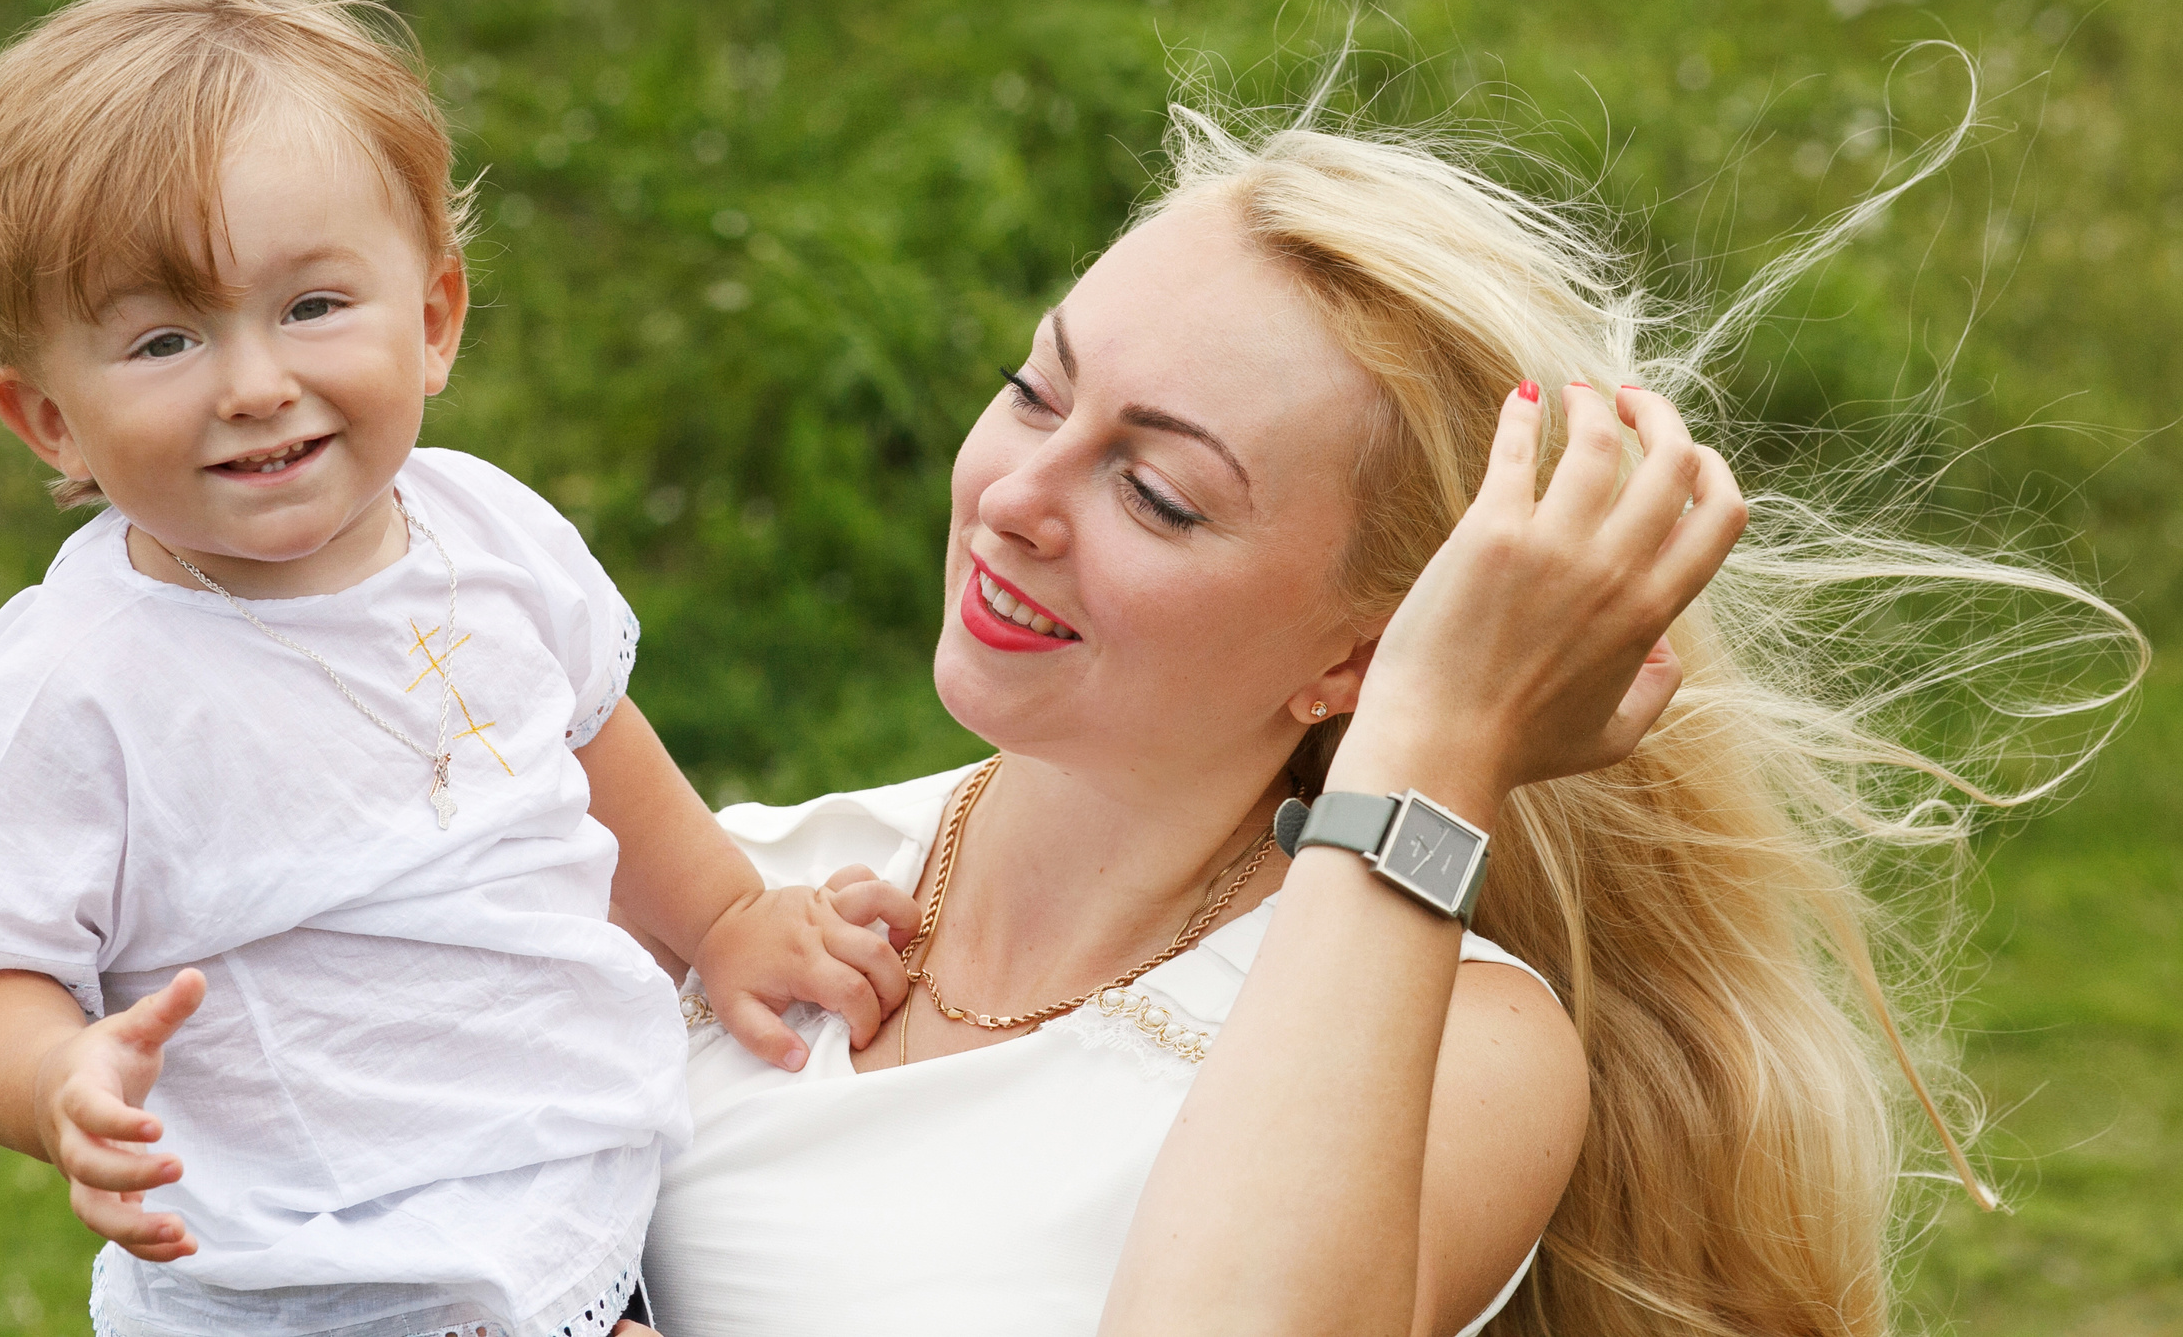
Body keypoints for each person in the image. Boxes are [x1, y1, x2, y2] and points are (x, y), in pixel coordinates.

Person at [638, 101, 2142, 1334]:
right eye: (1037, 393)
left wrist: (1438, 749)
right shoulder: (728, 884)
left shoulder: (1460, 1050)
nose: (1018, 501)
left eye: (1157, 495)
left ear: (1362, 659)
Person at [0, 0, 917, 1337]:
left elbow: (589, 745)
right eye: (166, 340)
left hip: (564, 1200)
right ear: (46, 420)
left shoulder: (485, 529)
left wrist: (730, 915)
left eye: (312, 306)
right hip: (324, 1285)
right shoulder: (79, 681)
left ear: (433, 320)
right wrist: (61, 1079)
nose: (256, 385)